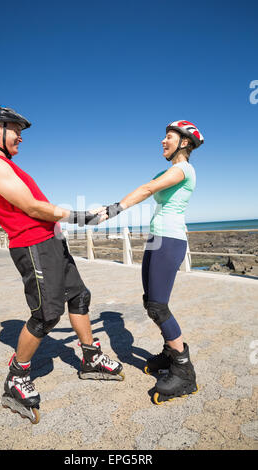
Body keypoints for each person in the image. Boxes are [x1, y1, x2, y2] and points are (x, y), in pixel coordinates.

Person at [0, 106, 124, 424]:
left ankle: (90, 358)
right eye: (16, 130)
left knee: (79, 296)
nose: (21, 138)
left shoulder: (8, 166)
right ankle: (16, 379)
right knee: (46, 316)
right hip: (33, 247)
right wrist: (81, 216)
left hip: (52, 244)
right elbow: (30, 206)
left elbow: (37, 206)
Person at [105, 120, 204, 404]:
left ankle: (184, 371)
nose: (163, 141)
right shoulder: (168, 169)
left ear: (185, 142)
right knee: (151, 302)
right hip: (157, 238)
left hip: (170, 239)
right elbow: (147, 187)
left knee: (159, 306)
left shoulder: (183, 169)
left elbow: (148, 189)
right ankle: (171, 353)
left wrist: (113, 210)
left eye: (169, 137)